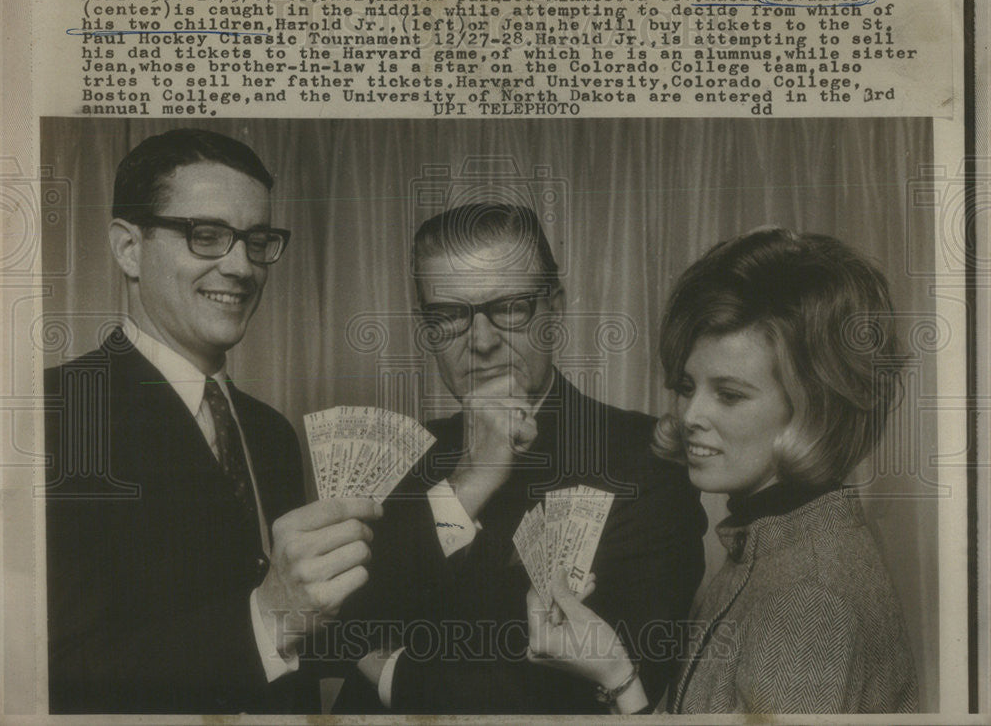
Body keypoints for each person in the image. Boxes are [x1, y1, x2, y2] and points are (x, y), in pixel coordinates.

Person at [44, 129, 381, 713]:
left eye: (257, 241)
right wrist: (268, 616)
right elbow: (45, 679)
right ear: (128, 247)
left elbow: (294, 640)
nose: (241, 267)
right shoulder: (51, 416)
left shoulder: (270, 431)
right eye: (206, 235)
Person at [525, 228, 918, 714]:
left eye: (729, 395)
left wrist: (617, 676)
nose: (690, 415)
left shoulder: (807, 600)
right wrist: (614, 671)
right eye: (687, 386)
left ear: (813, 408)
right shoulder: (769, 547)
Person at [334, 203, 707, 713]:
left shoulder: (645, 461)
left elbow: (623, 677)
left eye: (509, 307)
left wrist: (394, 675)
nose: (482, 342)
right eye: (449, 316)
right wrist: (468, 486)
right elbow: (344, 627)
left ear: (554, 307)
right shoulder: (405, 453)